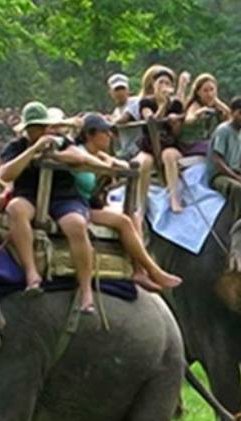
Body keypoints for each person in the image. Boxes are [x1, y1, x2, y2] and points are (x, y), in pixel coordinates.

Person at [0, 101, 110, 313]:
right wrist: (33, 151)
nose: (38, 131)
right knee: (15, 209)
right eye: (33, 127)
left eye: (41, 126)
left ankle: (86, 291)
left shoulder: (61, 141)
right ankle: (31, 273)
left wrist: (53, 155)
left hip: (63, 197)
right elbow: (5, 174)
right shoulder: (16, 147)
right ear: (26, 129)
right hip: (29, 196)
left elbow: (79, 156)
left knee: (76, 224)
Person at [71, 113, 182, 292]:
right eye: (105, 132)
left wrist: (108, 162)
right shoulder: (78, 153)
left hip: (91, 205)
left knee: (134, 216)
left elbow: (126, 167)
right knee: (123, 221)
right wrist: (105, 167)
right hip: (76, 206)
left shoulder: (96, 154)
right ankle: (154, 270)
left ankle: (139, 271)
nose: (110, 136)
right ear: (90, 135)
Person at [137, 66, 186, 213]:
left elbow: (177, 132)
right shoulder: (146, 103)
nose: (164, 86)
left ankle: (174, 199)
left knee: (169, 155)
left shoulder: (175, 105)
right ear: (154, 85)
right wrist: (163, 106)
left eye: (167, 83)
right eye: (161, 83)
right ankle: (141, 205)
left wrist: (175, 121)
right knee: (145, 162)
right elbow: (150, 120)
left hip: (168, 144)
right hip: (149, 144)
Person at [207, 96, 241, 214]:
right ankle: (238, 218)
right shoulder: (223, 131)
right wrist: (239, 179)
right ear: (232, 113)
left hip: (237, 172)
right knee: (238, 188)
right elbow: (218, 161)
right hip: (220, 176)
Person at [180, 73, 230, 157]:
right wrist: (198, 114)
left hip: (208, 142)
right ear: (198, 92)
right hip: (192, 144)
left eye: (212, 89)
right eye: (205, 90)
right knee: (216, 148)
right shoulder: (195, 105)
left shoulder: (215, 104)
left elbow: (230, 116)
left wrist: (217, 102)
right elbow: (189, 118)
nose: (209, 94)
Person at [107, 73, 143, 159]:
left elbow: (124, 118)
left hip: (138, 149)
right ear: (111, 93)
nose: (120, 92)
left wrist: (108, 122)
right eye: (117, 90)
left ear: (128, 90)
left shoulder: (135, 101)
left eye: (122, 89)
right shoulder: (116, 111)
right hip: (125, 150)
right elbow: (115, 134)